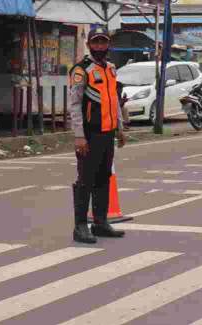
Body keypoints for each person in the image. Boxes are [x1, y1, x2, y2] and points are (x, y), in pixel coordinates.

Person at [69, 27, 127, 244]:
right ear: (89, 45)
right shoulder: (81, 70)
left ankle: (100, 223)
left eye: (103, 42)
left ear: (109, 44)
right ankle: (80, 226)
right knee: (85, 180)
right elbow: (74, 105)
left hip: (107, 133)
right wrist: (79, 136)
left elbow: (114, 100)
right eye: (96, 42)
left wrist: (120, 128)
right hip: (89, 135)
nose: (100, 46)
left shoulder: (111, 69)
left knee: (103, 178)